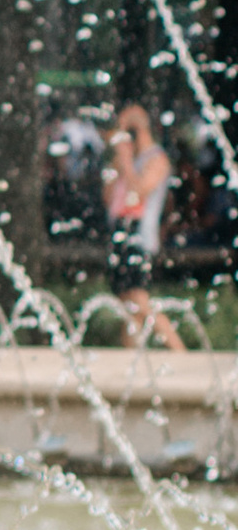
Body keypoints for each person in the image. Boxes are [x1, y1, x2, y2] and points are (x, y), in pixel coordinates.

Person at [104, 100, 176, 349]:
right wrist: (118, 163)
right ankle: (130, 363)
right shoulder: (129, 159)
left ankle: (181, 354)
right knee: (128, 306)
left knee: (139, 300)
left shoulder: (156, 160)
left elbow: (139, 192)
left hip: (140, 237)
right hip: (120, 233)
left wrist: (125, 163)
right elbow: (109, 198)